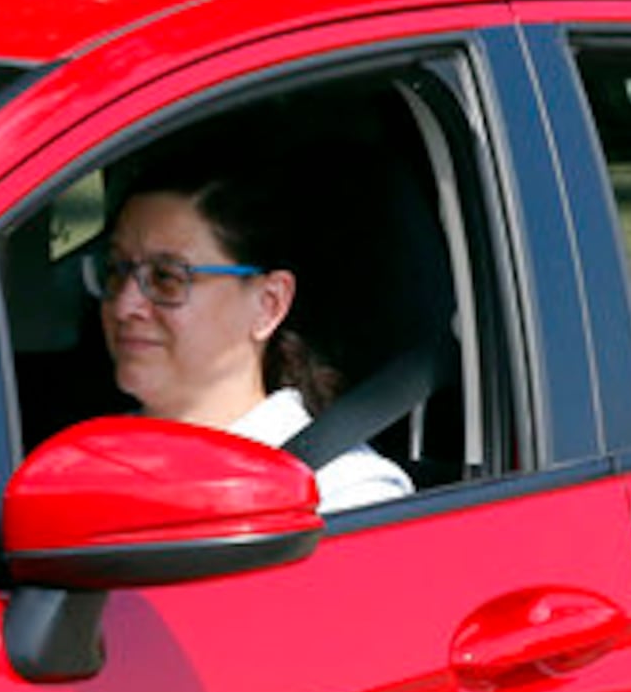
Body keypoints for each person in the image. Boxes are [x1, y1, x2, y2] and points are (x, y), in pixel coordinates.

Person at [88, 170, 414, 515]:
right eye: (116, 270)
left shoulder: (345, 497)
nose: (125, 306)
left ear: (269, 304)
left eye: (167, 278)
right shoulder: (84, 463)